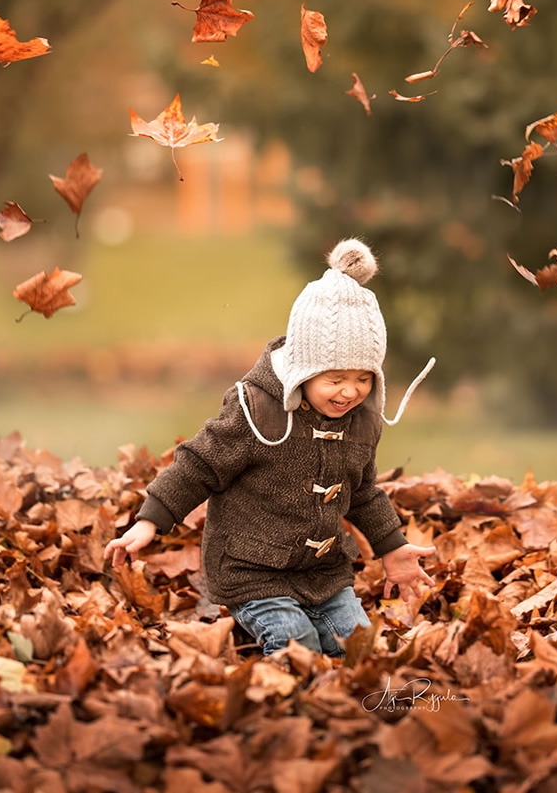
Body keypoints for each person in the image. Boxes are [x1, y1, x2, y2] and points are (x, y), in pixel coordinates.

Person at [104, 238, 436, 657]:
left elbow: (363, 492)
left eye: (364, 378)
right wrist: (150, 520)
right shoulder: (258, 411)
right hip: (252, 570)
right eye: (334, 379)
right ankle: (287, 703)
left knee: (359, 652)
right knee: (298, 647)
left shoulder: (360, 421)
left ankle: (354, 710)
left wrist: (393, 547)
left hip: (323, 574)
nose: (350, 391)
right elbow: (198, 465)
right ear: (303, 371)